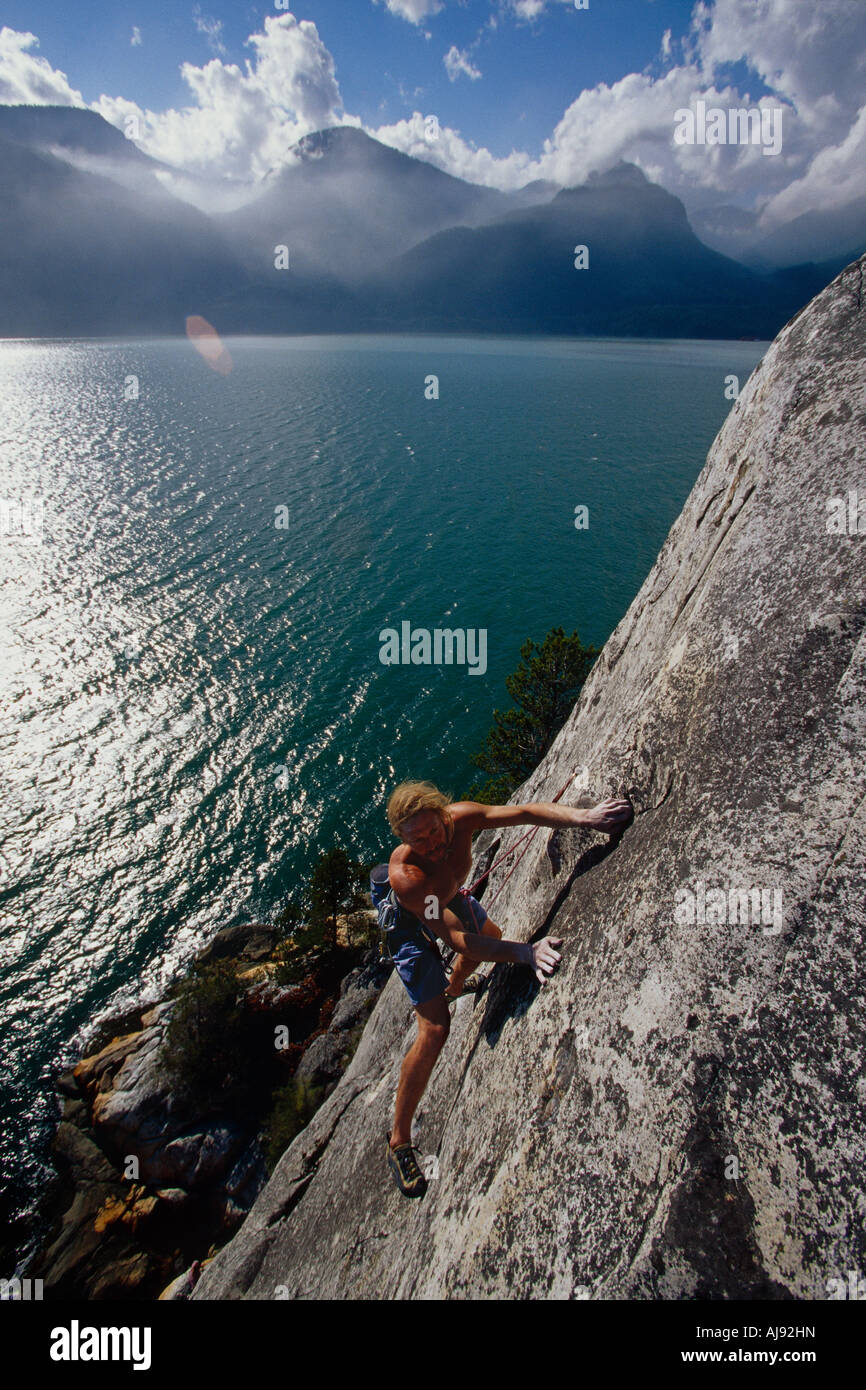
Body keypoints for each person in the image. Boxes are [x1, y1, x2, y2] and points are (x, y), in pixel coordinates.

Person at [383, 780, 632, 1196]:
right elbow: (457, 939)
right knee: (436, 1030)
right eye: (417, 839)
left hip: (443, 897)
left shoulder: (461, 819)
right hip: (414, 921)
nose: (430, 844)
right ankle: (399, 1141)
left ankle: (454, 987)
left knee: (489, 940)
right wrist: (526, 952)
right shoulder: (408, 876)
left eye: (433, 832)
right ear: (402, 841)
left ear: (444, 816)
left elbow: (526, 813)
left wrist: (584, 817)